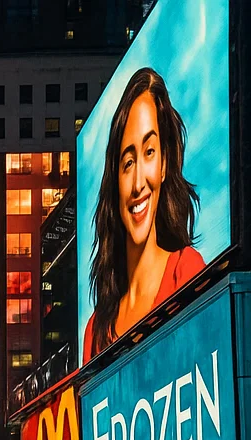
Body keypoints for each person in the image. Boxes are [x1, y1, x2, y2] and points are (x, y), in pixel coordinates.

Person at [83, 67, 205, 363]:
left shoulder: (185, 272)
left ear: (164, 165)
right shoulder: (95, 330)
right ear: (115, 181)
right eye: (127, 162)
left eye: (149, 152)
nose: (138, 183)